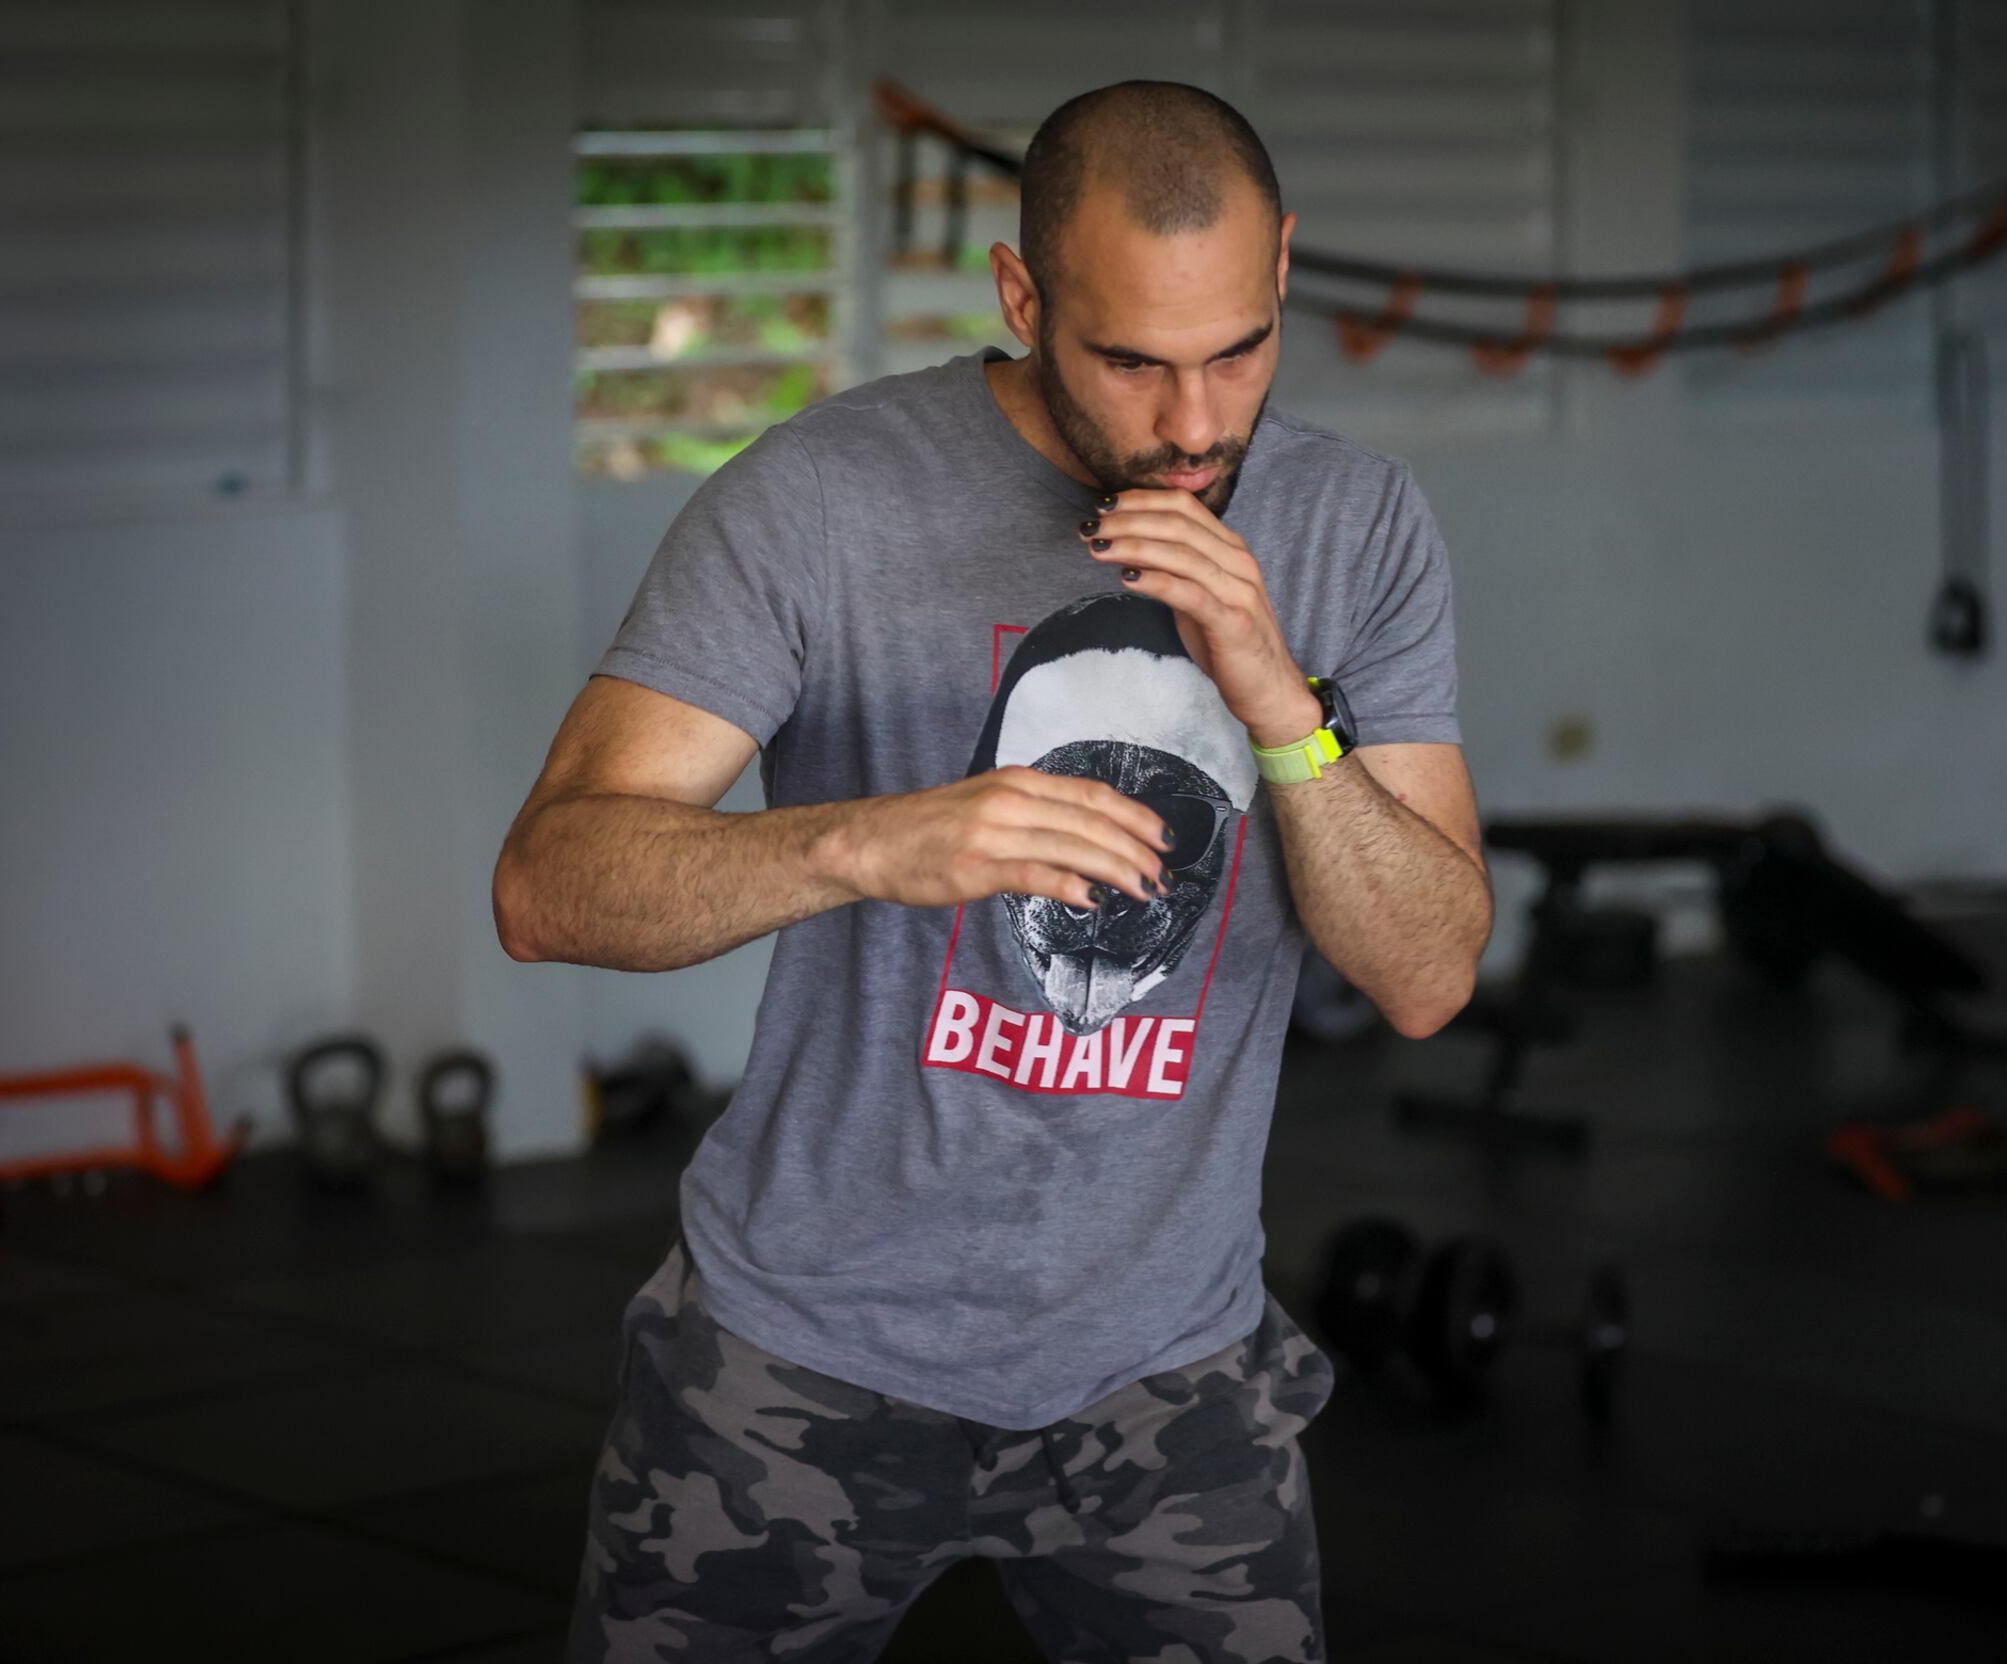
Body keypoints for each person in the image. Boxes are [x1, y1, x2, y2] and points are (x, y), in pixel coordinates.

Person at [495, 79, 1491, 1663]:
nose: (1194, 424)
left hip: (1167, 1374)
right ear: (1022, 296)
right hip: (798, 1361)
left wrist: (1279, 704)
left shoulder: (1354, 528)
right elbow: (547, 886)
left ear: (1286, 265)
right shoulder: (820, 500)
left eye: (1237, 351)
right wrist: (867, 839)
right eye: (1133, 361)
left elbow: (1431, 975)